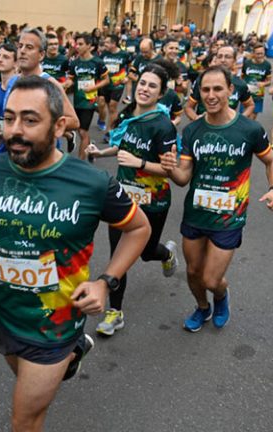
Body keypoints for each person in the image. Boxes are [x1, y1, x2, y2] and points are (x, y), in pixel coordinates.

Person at [0, 75, 151, 432]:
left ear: (60, 125)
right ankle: (73, 356)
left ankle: (70, 349)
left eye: (30, 120)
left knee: (24, 418)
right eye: (9, 117)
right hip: (5, 313)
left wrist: (105, 282)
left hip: (56, 323)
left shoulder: (91, 182)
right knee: (23, 381)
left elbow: (139, 228)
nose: (15, 130)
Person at [160, 65, 273, 332]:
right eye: (205, 89)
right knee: (193, 274)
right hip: (196, 213)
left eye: (218, 89)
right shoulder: (193, 131)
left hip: (229, 216)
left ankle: (220, 296)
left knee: (211, 279)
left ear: (231, 90)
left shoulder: (249, 129)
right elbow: (183, 179)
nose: (211, 95)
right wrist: (170, 168)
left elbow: (272, 161)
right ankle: (202, 308)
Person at [86, 63, 179, 336]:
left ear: (161, 94)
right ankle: (115, 313)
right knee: (119, 256)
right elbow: (122, 147)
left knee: (147, 252)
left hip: (154, 200)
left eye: (153, 86)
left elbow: (169, 170)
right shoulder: (129, 115)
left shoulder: (163, 126)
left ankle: (166, 253)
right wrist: (101, 152)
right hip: (124, 198)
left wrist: (139, 162)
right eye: (143, 83)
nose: (145, 89)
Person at [66, 33, 109, 160]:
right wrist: (65, 84)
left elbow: (106, 80)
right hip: (77, 100)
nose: (77, 47)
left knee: (83, 132)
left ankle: (81, 163)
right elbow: (71, 80)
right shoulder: (75, 63)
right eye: (76, 44)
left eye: (81, 44)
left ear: (89, 46)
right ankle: (90, 147)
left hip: (90, 101)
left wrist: (93, 87)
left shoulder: (97, 62)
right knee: (79, 130)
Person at [186, 45, 254, 120]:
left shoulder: (240, 84)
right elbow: (189, 107)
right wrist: (196, 118)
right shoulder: (202, 80)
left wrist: (239, 120)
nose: (223, 60)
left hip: (228, 128)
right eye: (219, 56)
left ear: (234, 61)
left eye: (227, 57)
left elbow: (250, 105)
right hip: (205, 128)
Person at [100, 34, 132, 133]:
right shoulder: (104, 54)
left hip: (118, 84)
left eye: (107, 42)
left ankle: (110, 131)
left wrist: (127, 77)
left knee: (112, 106)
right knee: (101, 104)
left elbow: (131, 68)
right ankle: (101, 119)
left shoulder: (124, 55)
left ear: (114, 44)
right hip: (104, 83)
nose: (104, 44)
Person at [241, 43, 272, 120]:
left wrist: (263, 83)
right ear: (253, 54)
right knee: (243, 117)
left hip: (258, 95)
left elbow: (269, 81)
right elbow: (242, 77)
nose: (260, 56)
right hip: (246, 95)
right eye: (258, 54)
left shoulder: (267, 65)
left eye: (262, 53)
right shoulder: (247, 63)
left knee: (252, 118)